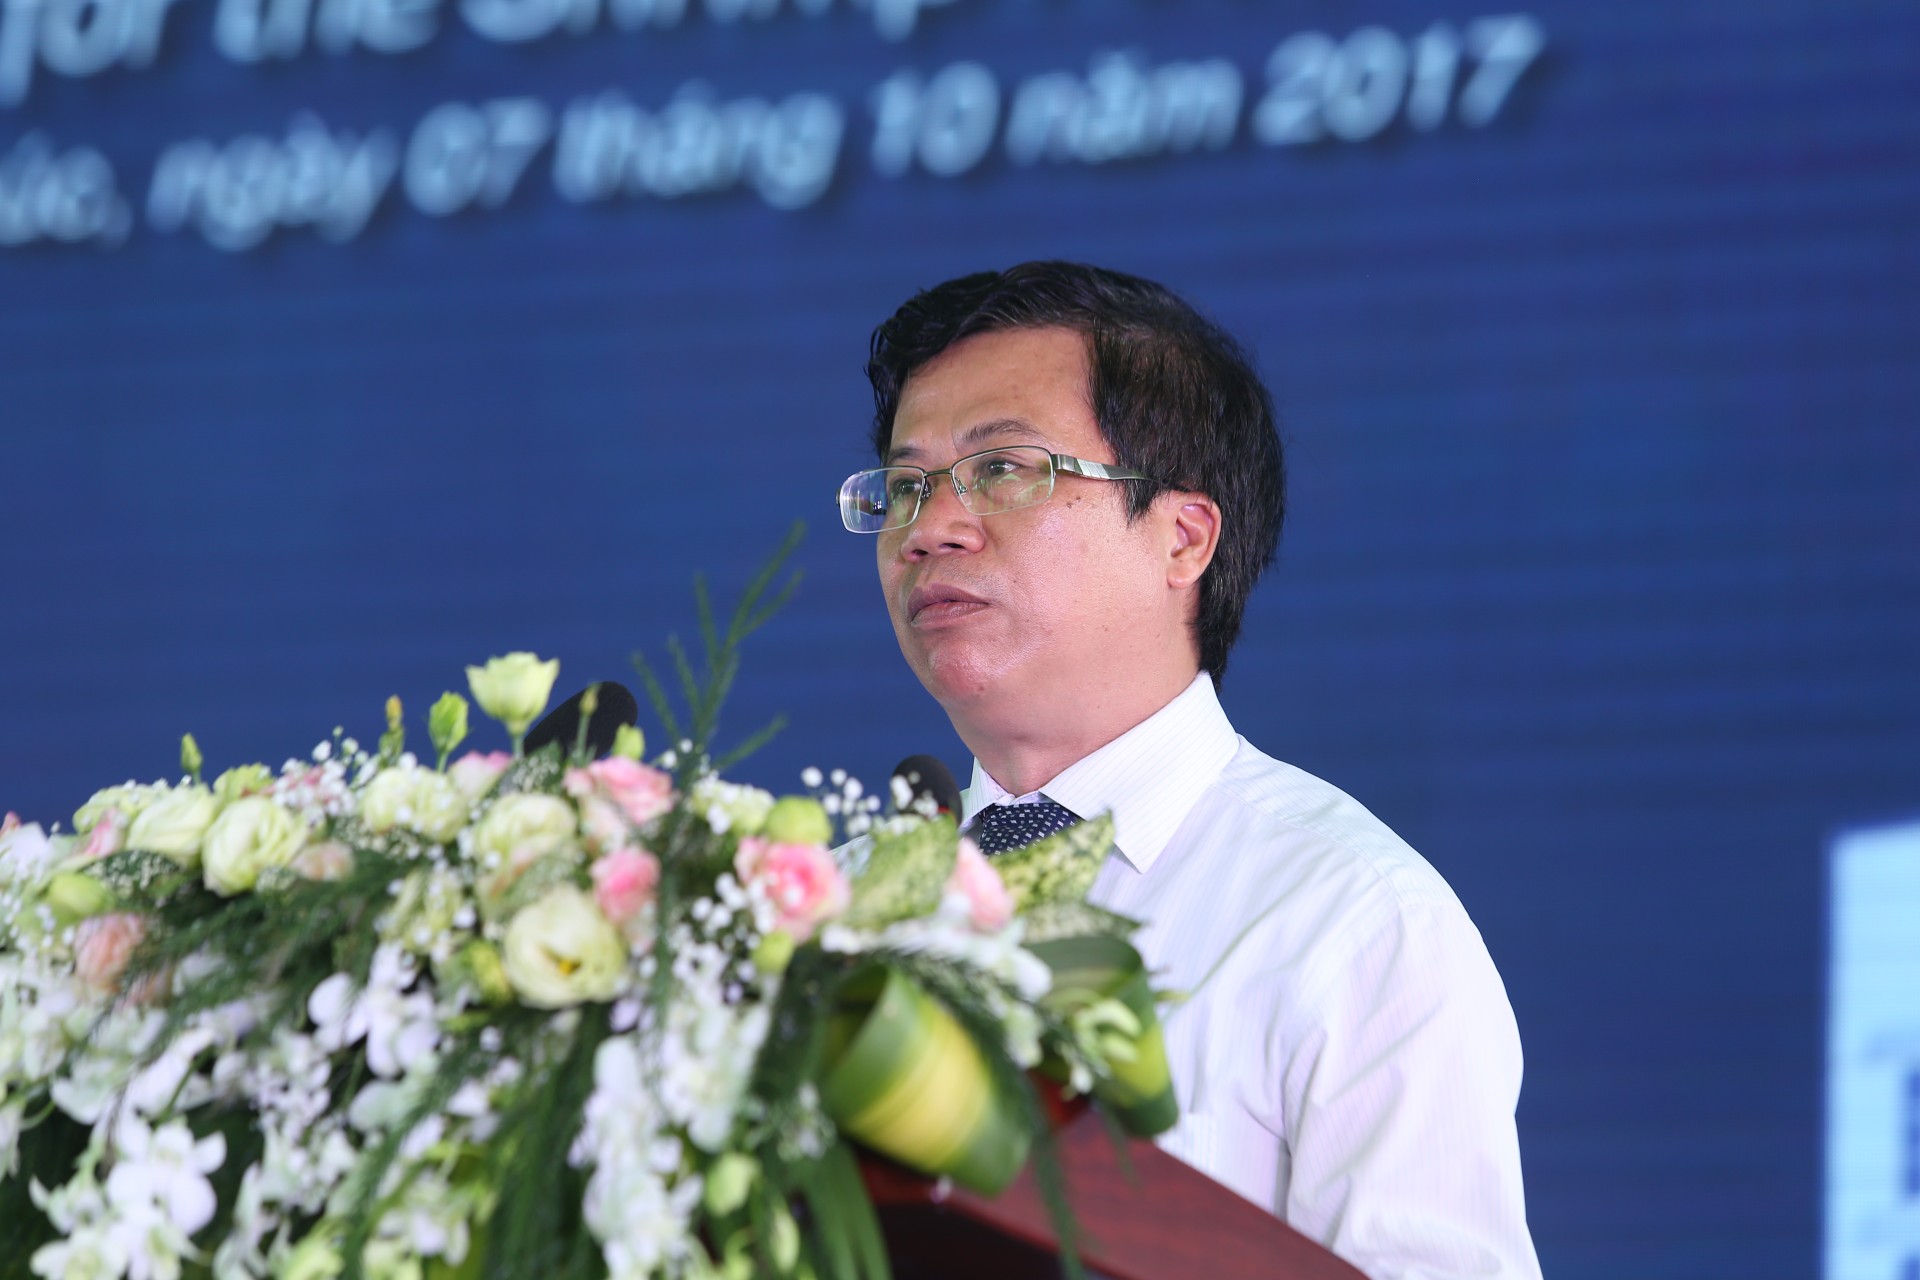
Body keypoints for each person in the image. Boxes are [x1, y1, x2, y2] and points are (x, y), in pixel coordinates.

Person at [837, 261, 1541, 1279]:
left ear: (1182, 538)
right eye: (906, 487)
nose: (930, 529)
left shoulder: (1350, 922)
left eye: (1002, 470)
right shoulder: (821, 913)